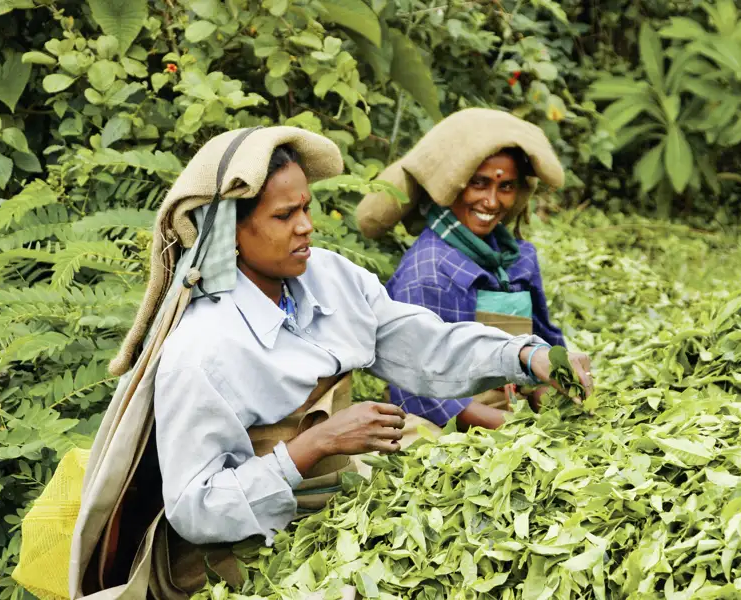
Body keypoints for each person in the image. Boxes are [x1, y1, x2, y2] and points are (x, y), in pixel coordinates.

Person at [57, 126, 591, 600]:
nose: (306, 227)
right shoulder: (204, 349)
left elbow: (421, 343)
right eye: (284, 216)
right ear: (229, 232)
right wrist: (316, 443)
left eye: (306, 208)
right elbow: (197, 510)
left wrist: (525, 355)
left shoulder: (329, 277)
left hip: (336, 495)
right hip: (241, 549)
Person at [355, 108, 592, 435]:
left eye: (505, 187)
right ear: (453, 186)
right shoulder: (428, 270)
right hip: (447, 416)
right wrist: (516, 429)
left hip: (510, 400)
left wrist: (555, 388)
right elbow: (418, 390)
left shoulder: (516, 257)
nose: (491, 202)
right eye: (479, 184)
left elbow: (544, 340)